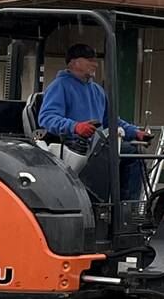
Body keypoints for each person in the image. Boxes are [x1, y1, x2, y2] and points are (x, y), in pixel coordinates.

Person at [39, 42, 146, 201]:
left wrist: (134, 132)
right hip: (74, 146)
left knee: (133, 152)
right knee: (131, 152)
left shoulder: (97, 90)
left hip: (97, 145)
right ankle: (125, 211)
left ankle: (124, 210)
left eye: (95, 60)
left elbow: (111, 121)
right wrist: (76, 127)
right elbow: (46, 118)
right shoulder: (59, 86)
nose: (95, 64)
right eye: (89, 60)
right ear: (73, 62)